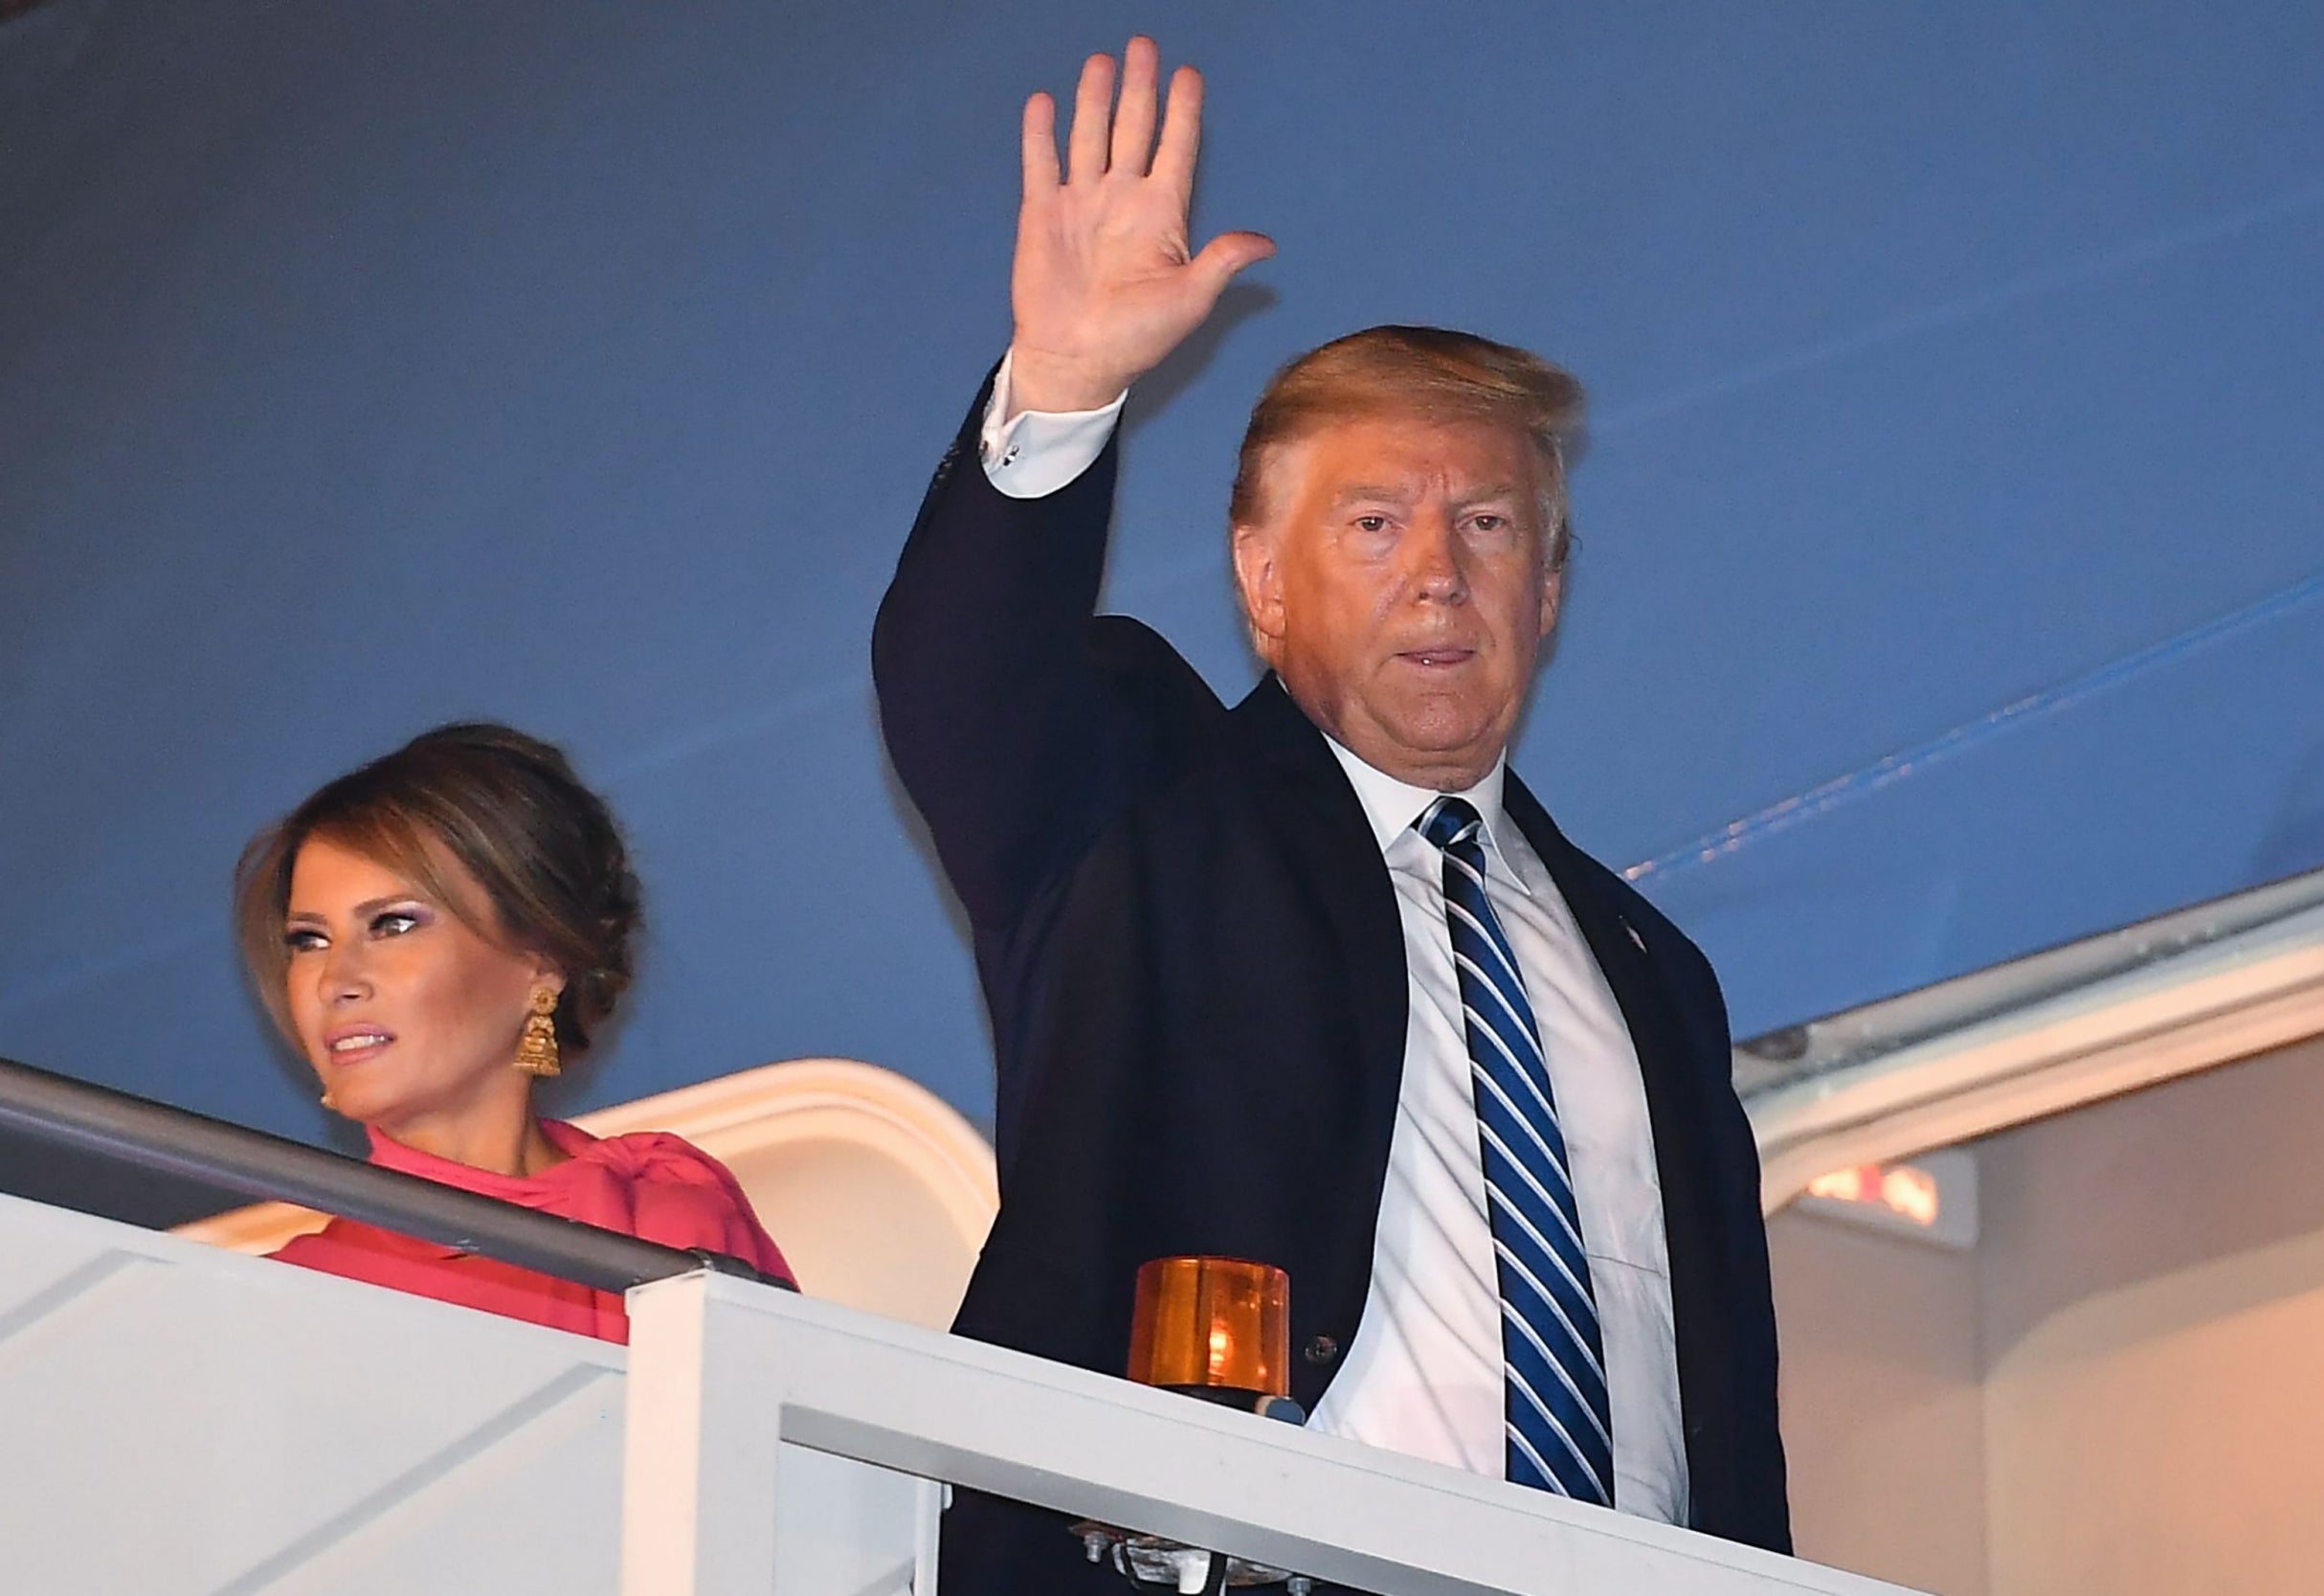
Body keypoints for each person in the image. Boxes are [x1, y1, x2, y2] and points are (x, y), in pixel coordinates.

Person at [874, 36, 1791, 1591]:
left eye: (1489, 524)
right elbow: (970, 683)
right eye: (1373, 522)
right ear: (1261, 574)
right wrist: (1068, 388)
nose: (1439, 571)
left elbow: (1726, 1419)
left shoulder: (1652, 964)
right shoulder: (1148, 815)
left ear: (1550, 587)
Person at [235, 721, 793, 1342]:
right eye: (308, 940)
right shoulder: (275, 1300)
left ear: (539, 959)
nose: (333, 980)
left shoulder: (669, 1229)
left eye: (392, 924)